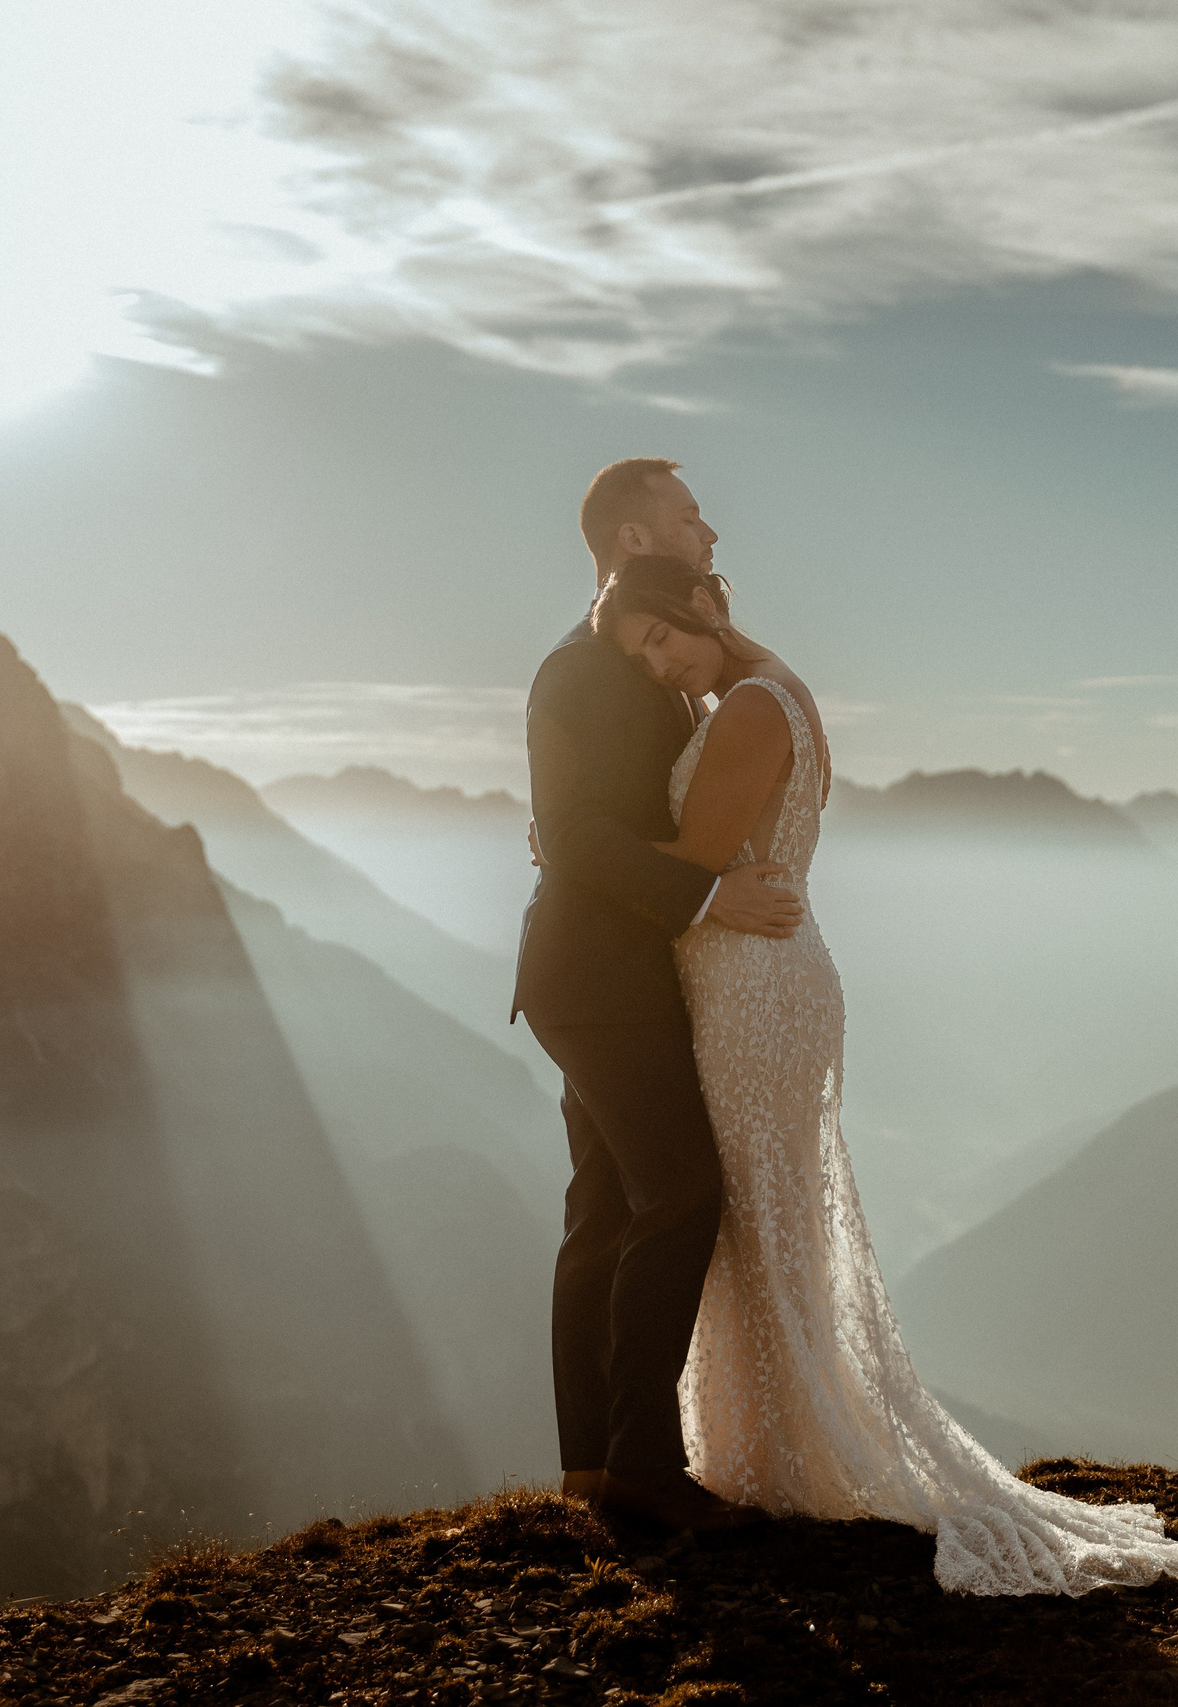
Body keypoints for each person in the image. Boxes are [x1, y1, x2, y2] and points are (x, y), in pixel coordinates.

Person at [589, 551, 1178, 1597]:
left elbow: (695, 852)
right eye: (640, 657)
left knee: (760, 1214)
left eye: (659, 639)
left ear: (698, 602)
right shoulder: (772, 683)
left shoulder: (746, 705)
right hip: (760, 975)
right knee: (759, 1213)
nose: (656, 667)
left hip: (754, 989)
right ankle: (776, 1449)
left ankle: (789, 1455)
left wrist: (573, 846)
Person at [512, 458, 799, 1534]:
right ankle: (639, 1465)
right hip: (596, 977)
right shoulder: (581, 671)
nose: (710, 531)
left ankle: (591, 1469)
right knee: (679, 1190)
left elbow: (589, 825)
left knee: (605, 1209)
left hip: (605, 971)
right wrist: (709, 897)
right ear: (634, 542)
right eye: (687, 516)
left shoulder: (639, 665)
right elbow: (578, 832)